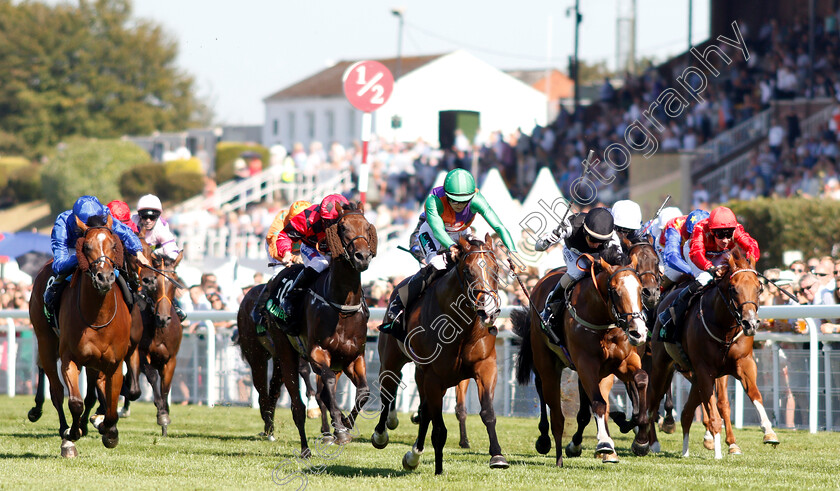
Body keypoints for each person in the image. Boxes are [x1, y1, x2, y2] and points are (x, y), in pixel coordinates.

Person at [379, 168, 518, 340]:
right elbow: (437, 230)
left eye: (464, 201)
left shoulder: (477, 200)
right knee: (438, 264)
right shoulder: (434, 200)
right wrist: (451, 247)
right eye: (454, 200)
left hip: (460, 231)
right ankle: (398, 305)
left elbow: (499, 227)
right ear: (446, 194)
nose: (459, 205)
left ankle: (486, 309)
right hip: (431, 231)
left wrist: (513, 252)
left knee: (477, 261)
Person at [43, 196, 151, 328]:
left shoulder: (104, 215)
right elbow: (59, 264)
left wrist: (138, 252)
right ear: (78, 221)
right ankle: (52, 311)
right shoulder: (63, 222)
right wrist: (81, 256)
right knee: (57, 281)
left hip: (99, 249)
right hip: (72, 250)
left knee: (124, 281)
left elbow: (126, 233)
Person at [658, 206, 760, 343]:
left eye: (729, 234)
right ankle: (670, 316)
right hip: (697, 252)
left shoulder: (737, 229)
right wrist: (710, 268)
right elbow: (696, 254)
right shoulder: (700, 228)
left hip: (720, 253)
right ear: (711, 231)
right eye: (719, 234)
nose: (725, 239)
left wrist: (750, 263)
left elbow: (752, 245)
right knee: (705, 279)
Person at [265, 194, 350, 334]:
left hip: (331, 247)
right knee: (320, 263)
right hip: (310, 246)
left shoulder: (348, 218)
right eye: (328, 221)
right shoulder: (307, 217)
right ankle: (290, 298)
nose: (331, 226)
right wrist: (287, 253)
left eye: (335, 221)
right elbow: (284, 236)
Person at [533, 207, 625, 331]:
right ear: (585, 232)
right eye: (593, 239)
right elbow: (537, 247)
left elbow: (619, 264)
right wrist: (547, 241)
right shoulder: (571, 225)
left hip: (598, 257)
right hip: (574, 253)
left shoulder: (613, 239)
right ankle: (550, 305)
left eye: (601, 241)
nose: (597, 244)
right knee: (578, 272)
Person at [250, 200, 311, 353]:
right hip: (280, 248)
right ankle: (260, 312)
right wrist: (289, 256)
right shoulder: (280, 222)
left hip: (302, 247)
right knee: (280, 274)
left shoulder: (314, 218)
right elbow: (276, 246)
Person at [131, 194, 186, 322]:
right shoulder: (132, 223)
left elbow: (172, 253)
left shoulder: (161, 229)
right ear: (139, 216)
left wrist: (154, 255)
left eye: (152, 217)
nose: (148, 220)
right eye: (145, 216)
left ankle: (175, 306)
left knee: (165, 278)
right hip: (134, 262)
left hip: (153, 264)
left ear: (158, 217)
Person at [658, 209, 709, 291]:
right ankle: (654, 296)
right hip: (668, 247)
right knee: (674, 273)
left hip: (687, 247)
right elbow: (672, 257)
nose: (695, 237)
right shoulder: (675, 226)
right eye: (692, 234)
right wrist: (692, 272)